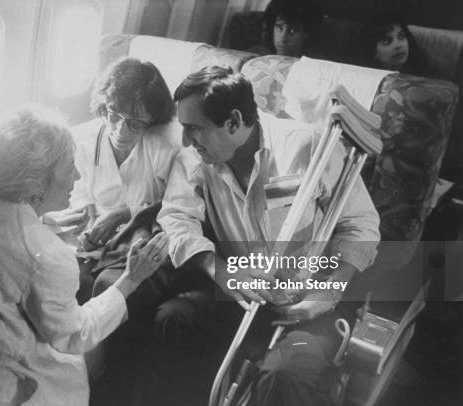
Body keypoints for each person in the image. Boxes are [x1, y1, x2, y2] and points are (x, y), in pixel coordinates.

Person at [0, 107, 168, 406]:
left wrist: (44, 221)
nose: (77, 175)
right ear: (36, 183)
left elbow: (2, 232)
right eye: (67, 168)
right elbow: (76, 335)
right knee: (91, 355)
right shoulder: (46, 256)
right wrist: (131, 279)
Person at [156, 66, 381, 405]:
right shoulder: (193, 158)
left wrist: (328, 294)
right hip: (248, 291)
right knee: (173, 320)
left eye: (194, 129)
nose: (186, 140)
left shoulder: (307, 146)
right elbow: (176, 218)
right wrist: (220, 270)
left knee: (284, 374)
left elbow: (360, 226)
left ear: (233, 121)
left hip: (316, 299)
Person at [43, 57, 180, 255]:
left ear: (153, 120)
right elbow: (78, 189)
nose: (121, 131)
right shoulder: (80, 140)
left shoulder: (164, 149)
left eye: (135, 123)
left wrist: (124, 214)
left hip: (145, 236)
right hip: (94, 237)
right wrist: (85, 207)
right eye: (114, 115)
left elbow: (176, 204)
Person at [357, 15, 431, 76]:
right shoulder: (364, 77)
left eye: (401, 36)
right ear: (372, 51)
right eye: (386, 41)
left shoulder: (424, 74)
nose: (398, 45)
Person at [254, 0, 324, 58]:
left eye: (292, 31)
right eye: (279, 28)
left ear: (307, 33)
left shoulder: (314, 65)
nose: (283, 39)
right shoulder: (257, 54)